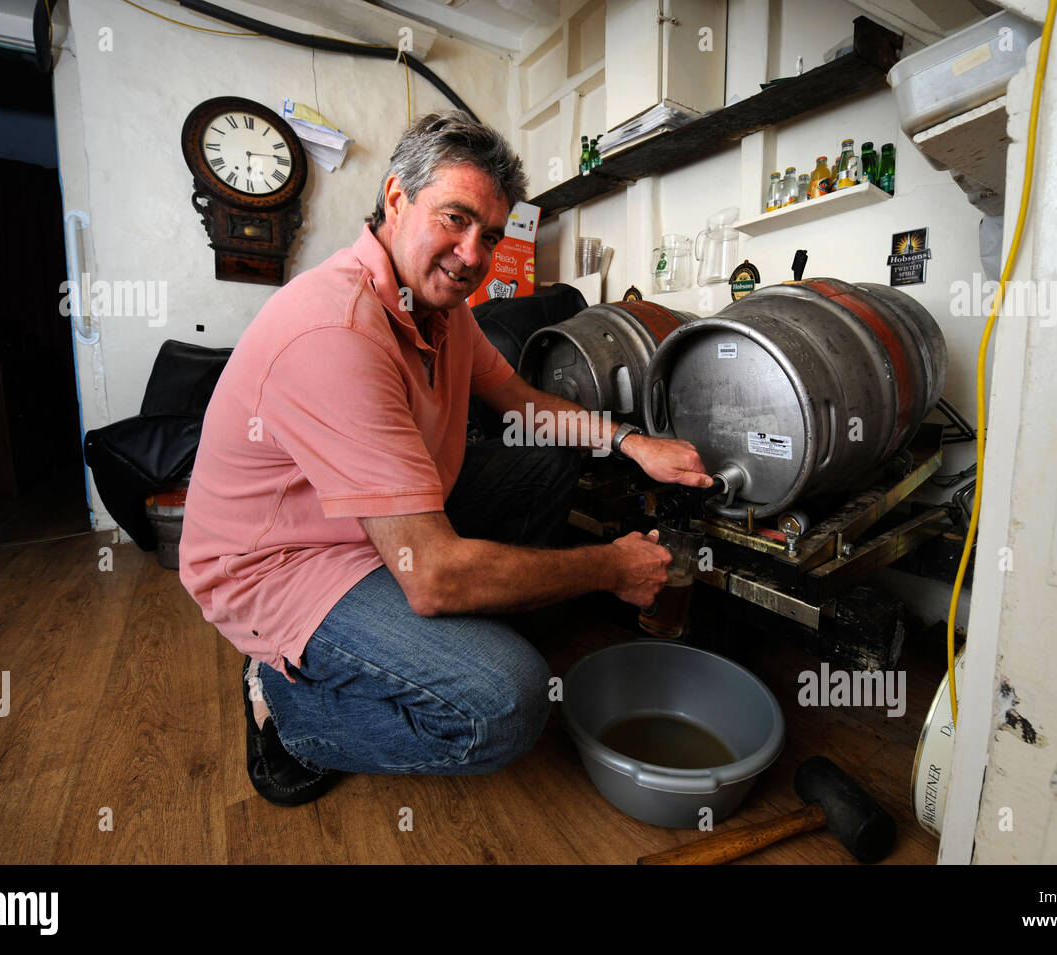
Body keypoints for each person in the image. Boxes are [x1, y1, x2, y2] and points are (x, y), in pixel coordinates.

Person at [178, 111, 711, 807]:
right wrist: (610, 566)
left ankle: (441, 641)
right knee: (508, 702)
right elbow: (429, 576)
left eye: (489, 235)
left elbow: (519, 399)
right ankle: (286, 701)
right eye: (454, 220)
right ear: (397, 200)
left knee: (547, 460)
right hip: (287, 563)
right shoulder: (335, 331)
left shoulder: (442, 308)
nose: (472, 255)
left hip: (381, 526)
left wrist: (632, 442)